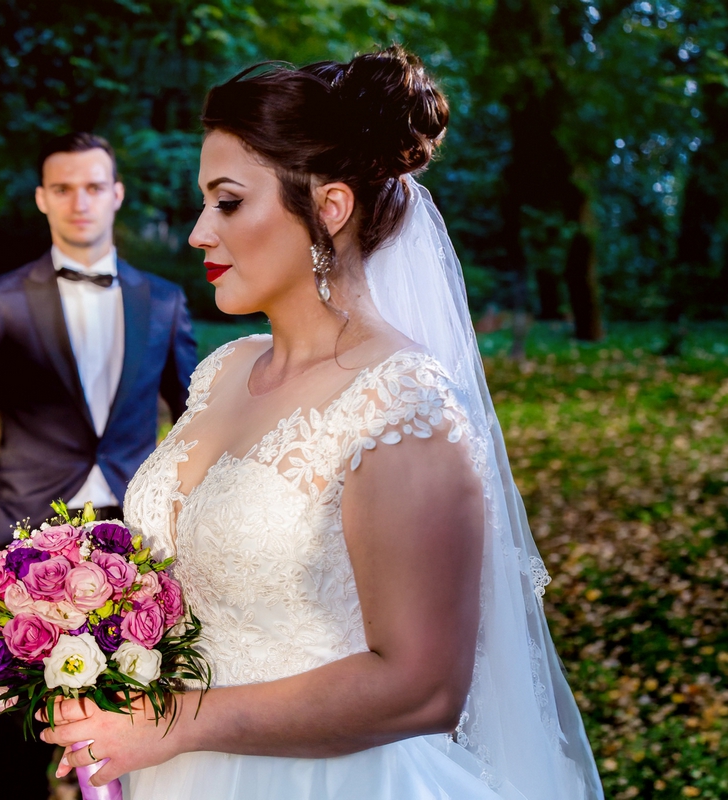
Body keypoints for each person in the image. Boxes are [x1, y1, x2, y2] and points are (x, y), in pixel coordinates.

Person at [39, 47, 604, 799]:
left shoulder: (404, 406)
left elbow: (422, 687)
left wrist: (178, 721)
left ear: (329, 207)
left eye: (229, 201)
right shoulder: (225, 370)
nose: (200, 233)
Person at [0, 132, 199, 800]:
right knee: (18, 730)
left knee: (139, 711)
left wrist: (192, 525)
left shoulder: (165, 302)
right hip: (23, 543)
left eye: (93, 186)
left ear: (116, 194)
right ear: (41, 199)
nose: (79, 201)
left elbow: (196, 424)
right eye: (63, 188)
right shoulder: (0, 301)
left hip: (134, 539)